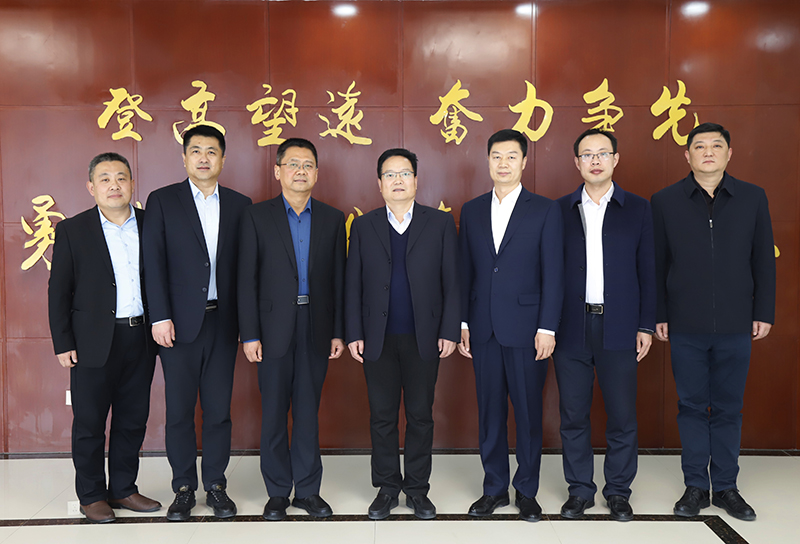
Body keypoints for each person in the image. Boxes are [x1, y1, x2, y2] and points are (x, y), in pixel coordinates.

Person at [651, 122, 775, 522]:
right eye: (699, 146)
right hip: (684, 323)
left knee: (728, 407)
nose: (708, 152)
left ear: (729, 153)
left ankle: (725, 487)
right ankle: (694, 486)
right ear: (686, 155)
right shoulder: (665, 201)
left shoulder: (752, 197)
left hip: (737, 323)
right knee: (690, 406)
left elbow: (763, 259)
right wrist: (659, 314)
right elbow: (657, 263)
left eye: (716, 146)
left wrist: (763, 311)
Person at [142, 125, 252, 521]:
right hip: (177, 326)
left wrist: (248, 327)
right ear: (184, 157)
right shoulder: (162, 200)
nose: (203, 158)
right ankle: (184, 488)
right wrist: (160, 316)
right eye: (196, 151)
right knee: (179, 411)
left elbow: (245, 270)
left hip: (223, 322)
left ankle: (217, 485)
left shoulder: (240, 204)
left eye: (211, 151)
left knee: (219, 410)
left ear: (222, 158)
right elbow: (152, 262)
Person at [345, 148, 460, 520]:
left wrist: (449, 330)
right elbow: (352, 283)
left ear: (416, 180)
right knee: (382, 417)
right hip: (376, 338)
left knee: (420, 416)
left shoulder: (439, 223)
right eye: (390, 175)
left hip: (423, 337)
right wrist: (353, 332)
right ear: (379, 183)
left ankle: (417, 490)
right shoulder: (364, 226)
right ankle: (386, 488)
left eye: (405, 173)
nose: (398, 180)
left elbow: (452, 282)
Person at [458, 129, 564, 521]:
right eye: (496, 156)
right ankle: (494, 489)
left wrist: (547, 327)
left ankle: (527, 491)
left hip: (527, 330)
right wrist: (463, 322)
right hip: (483, 329)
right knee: (490, 413)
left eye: (511, 156)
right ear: (487, 161)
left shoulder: (545, 209)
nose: (503, 163)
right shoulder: (471, 210)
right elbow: (465, 271)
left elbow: (554, 274)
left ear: (524, 161)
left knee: (528, 413)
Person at [48, 152, 160, 523]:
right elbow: (59, 290)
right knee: (90, 422)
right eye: (105, 179)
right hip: (92, 342)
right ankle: (92, 495)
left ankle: (124, 488)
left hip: (141, 338)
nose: (114, 185)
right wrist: (63, 342)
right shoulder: (73, 230)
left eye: (121, 178)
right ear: (91, 187)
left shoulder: (151, 223)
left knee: (133, 419)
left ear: (132, 184)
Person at [238, 137, 346, 521]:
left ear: (317, 173)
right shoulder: (256, 216)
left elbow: (339, 280)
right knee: (273, 412)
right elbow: (246, 279)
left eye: (307, 165)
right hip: (271, 329)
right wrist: (250, 333)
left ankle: (309, 491)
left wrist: (338, 331)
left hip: (315, 325)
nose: (301, 171)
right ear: (277, 171)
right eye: (293, 164)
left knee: (307, 411)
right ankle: (277, 492)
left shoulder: (333, 218)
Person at [553, 129, 656, 521]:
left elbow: (648, 271)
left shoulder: (638, 209)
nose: (595, 160)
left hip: (620, 325)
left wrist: (645, 325)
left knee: (622, 416)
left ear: (615, 159)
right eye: (587, 154)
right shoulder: (559, 210)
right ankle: (579, 490)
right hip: (571, 327)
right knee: (573, 415)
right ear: (576, 163)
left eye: (602, 153)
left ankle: (618, 492)